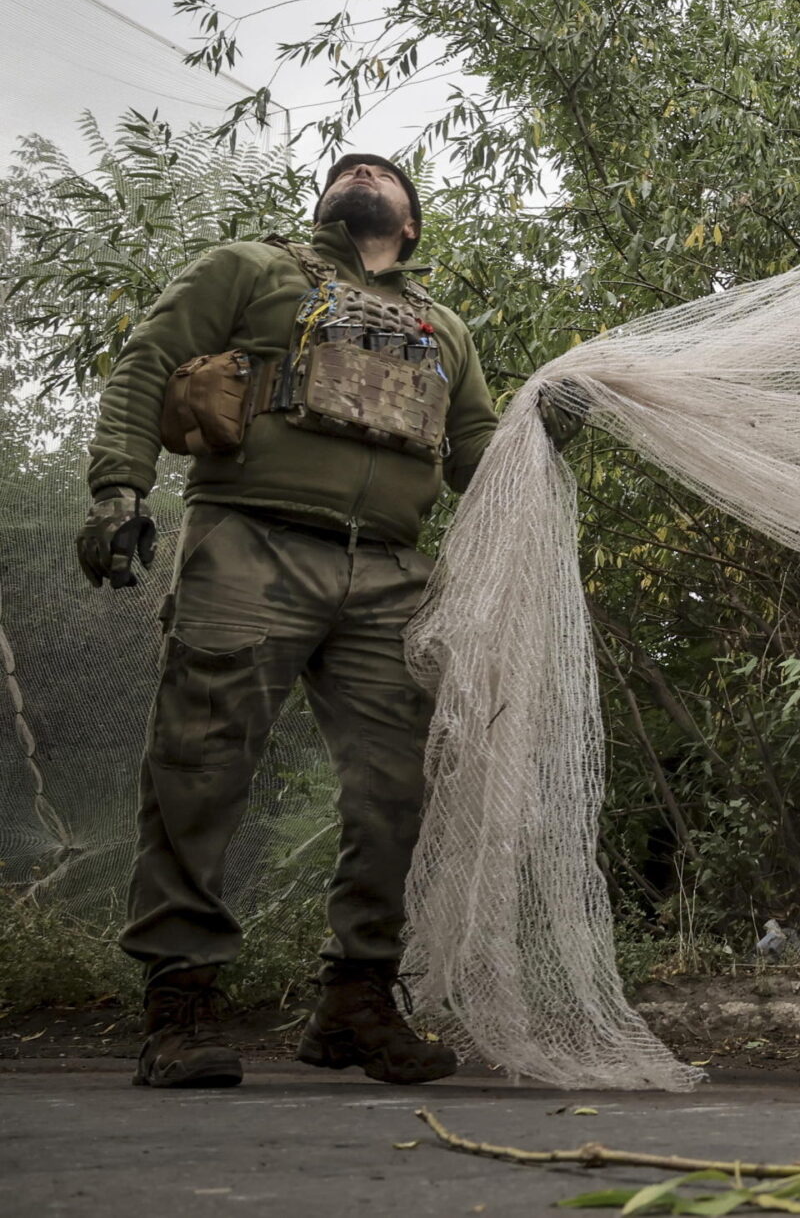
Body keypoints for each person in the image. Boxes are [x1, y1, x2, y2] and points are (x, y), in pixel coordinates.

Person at [78, 154, 499, 1089]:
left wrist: (552, 425)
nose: (363, 168)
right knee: (198, 767)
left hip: (390, 570)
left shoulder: (445, 329)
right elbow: (147, 360)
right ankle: (179, 1004)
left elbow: (481, 454)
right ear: (328, 205)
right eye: (348, 167)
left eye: (384, 171)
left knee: (401, 784)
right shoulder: (249, 268)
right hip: (248, 540)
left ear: (411, 223)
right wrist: (117, 488)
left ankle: (356, 999)